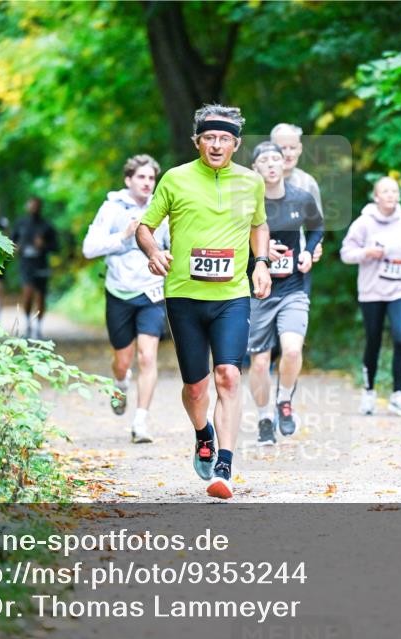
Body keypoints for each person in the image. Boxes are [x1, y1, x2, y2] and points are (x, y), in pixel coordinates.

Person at [136, 103, 271, 500]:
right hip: (183, 295)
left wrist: (261, 263)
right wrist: (153, 251)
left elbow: (259, 224)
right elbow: (146, 228)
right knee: (195, 388)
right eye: (209, 137)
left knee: (228, 375)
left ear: (236, 144)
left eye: (224, 139)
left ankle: (225, 467)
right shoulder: (175, 180)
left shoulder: (251, 182)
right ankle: (203, 435)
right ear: (197, 141)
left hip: (232, 296)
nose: (216, 145)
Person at [82, 154, 170, 443]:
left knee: (147, 356)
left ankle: (141, 421)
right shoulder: (111, 208)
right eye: (141, 177)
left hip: (152, 292)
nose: (147, 183)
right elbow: (89, 249)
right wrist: (122, 235)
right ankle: (120, 383)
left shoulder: (163, 209)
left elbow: (174, 246)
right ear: (128, 179)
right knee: (124, 360)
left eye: (151, 178)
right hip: (119, 291)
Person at [247, 142, 323, 446]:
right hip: (258, 291)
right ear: (255, 168)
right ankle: (265, 418)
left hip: (294, 286)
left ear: (284, 164)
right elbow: (236, 243)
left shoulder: (301, 198)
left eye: (276, 158)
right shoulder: (246, 203)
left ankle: (284, 399)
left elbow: (317, 227)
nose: (271, 164)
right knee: (261, 362)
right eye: (264, 160)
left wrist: (307, 251)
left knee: (292, 350)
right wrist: (261, 256)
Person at [340, 176, 401, 416]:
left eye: (394, 191)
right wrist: (367, 252)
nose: (390, 195)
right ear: (376, 197)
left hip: (400, 287)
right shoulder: (364, 223)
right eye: (385, 191)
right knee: (373, 340)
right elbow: (346, 253)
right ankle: (369, 390)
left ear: (399, 195)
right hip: (372, 290)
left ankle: (398, 393)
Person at [11, 196, 58, 339]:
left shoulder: (47, 226)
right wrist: (16, 248)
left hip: (41, 264)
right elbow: (11, 242)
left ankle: (38, 327)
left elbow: (56, 247)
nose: (34, 208)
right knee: (28, 293)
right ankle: (27, 324)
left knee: (41, 297)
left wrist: (43, 245)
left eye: (37, 206)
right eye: (32, 206)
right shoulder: (20, 224)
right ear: (27, 207)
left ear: (40, 207)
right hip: (26, 264)